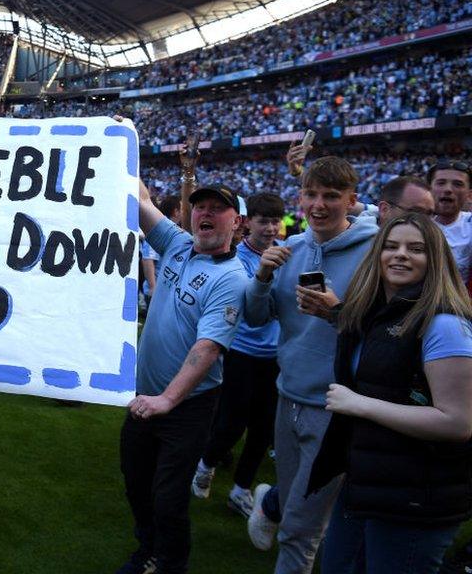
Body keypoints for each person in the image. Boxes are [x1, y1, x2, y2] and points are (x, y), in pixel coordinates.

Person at [308, 213, 472, 574]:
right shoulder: (377, 314)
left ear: (436, 261)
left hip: (417, 497)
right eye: (391, 246)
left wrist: (361, 405)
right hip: (367, 481)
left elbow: (457, 422)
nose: (400, 255)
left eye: (416, 249)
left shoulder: (445, 325)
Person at [243, 156, 378, 573]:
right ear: (299, 198)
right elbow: (255, 317)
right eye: (311, 195)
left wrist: (339, 313)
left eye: (331, 196)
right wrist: (262, 277)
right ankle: (270, 502)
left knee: (301, 530)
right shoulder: (291, 250)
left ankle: (273, 510)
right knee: (298, 507)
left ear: (352, 200)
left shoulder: (375, 253)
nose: (319, 205)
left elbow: (388, 333)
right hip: (288, 397)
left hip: (337, 407)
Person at [117, 180, 247, 574]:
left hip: (186, 405)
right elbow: (140, 200)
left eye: (217, 208)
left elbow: (207, 348)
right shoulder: (176, 244)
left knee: (168, 497)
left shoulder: (232, 278)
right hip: (146, 395)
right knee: (136, 481)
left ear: (236, 221)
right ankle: (148, 550)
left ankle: (172, 564)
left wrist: (168, 401)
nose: (205, 213)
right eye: (200, 206)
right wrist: (125, 135)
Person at [192, 193, 285, 518]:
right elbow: (246, 304)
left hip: (274, 354)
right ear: (248, 223)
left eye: (276, 221)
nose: (271, 228)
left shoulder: (286, 254)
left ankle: (241, 489)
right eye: (264, 221)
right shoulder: (238, 258)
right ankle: (205, 465)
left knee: (263, 428)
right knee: (232, 422)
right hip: (241, 350)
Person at [428, 160, 471, 284]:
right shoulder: (414, 224)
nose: (448, 189)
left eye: (457, 184)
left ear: (469, 195)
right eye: (441, 183)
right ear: (429, 189)